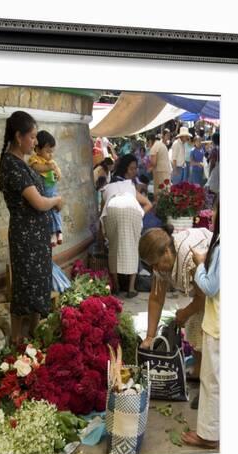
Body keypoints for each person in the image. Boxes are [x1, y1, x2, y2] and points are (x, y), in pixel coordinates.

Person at [0, 111, 63, 345]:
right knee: (25, 286)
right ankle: (18, 340)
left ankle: (34, 334)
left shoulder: (21, 163)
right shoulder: (12, 165)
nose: (35, 142)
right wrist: (56, 201)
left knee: (39, 283)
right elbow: (38, 202)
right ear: (18, 136)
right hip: (26, 237)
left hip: (36, 236)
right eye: (32, 137)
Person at [138, 225, 213, 378]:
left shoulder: (189, 258)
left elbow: (205, 297)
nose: (155, 268)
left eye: (155, 263)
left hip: (219, 286)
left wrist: (185, 313)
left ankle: (208, 379)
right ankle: (200, 374)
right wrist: (150, 337)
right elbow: (156, 299)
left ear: (166, 251)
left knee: (203, 327)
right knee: (195, 324)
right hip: (205, 292)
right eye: (150, 265)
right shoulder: (160, 263)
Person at [182, 199, 220, 449]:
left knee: (212, 381)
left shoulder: (223, 246)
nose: (212, 214)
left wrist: (198, 265)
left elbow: (209, 287)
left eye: (216, 209)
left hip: (218, 323)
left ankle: (208, 436)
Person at [100, 154, 152, 297]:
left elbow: (102, 210)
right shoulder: (129, 186)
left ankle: (116, 286)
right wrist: (139, 214)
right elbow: (148, 203)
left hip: (111, 209)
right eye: (132, 168)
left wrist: (101, 232)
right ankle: (131, 289)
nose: (135, 171)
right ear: (125, 169)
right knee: (133, 247)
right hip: (132, 209)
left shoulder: (109, 186)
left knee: (113, 247)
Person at [28, 130, 63, 246]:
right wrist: (49, 168)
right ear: (37, 150)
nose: (50, 155)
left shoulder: (51, 162)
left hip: (51, 189)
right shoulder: (35, 159)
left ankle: (59, 231)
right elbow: (37, 168)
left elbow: (59, 174)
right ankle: (53, 233)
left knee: (55, 210)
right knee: (49, 212)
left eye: (52, 152)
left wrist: (57, 173)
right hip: (44, 191)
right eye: (48, 151)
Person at [149, 130, 171, 200]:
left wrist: (148, 168)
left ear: (149, 141)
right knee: (166, 189)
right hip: (165, 169)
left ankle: (159, 207)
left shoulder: (154, 147)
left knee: (160, 191)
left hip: (160, 171)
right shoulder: (160, 144)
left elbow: (153, 163)